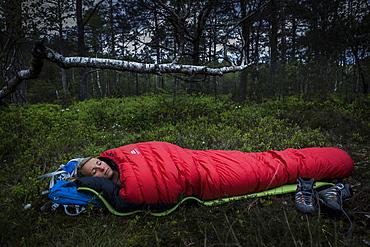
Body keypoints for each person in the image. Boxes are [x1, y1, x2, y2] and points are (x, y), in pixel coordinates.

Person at [74, 141, 354, 214]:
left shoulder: (121, 156)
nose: (101, 169)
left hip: (201, 158)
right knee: (270, 170)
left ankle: (330, 164)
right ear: (96, 182)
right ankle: (335, 164)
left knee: (264, 159)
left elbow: (157, 152)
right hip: (208, 177)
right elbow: (143, 193)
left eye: (98, 163)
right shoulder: (127, 192)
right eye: (95, 173)